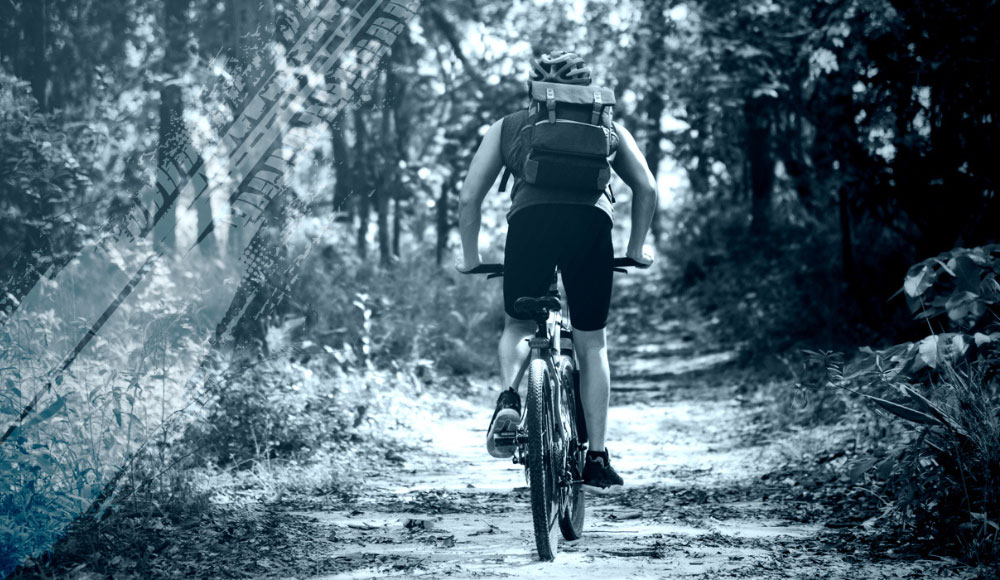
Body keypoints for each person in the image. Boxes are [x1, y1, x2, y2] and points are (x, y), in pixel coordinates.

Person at [456, 51, 657, 493]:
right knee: (591, 340)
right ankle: (598, 456)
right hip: (591, 227)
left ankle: (510, 395)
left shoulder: (509, 127)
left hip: (530, 224)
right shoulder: (608, 127)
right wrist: (636, 248)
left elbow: (470, 197)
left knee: (517, 322)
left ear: (534, 91)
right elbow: (646, 185)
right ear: (588, 91)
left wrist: (470, 257)